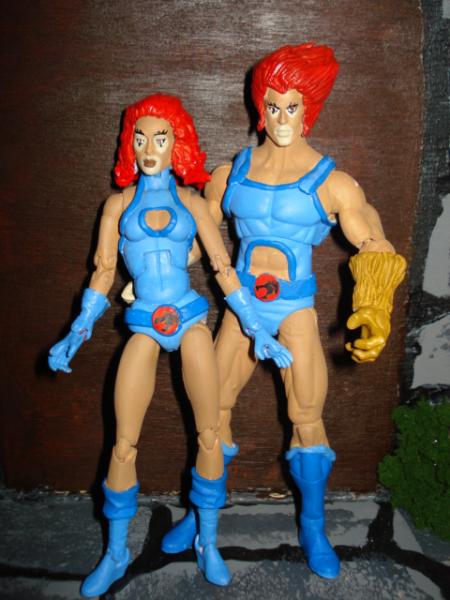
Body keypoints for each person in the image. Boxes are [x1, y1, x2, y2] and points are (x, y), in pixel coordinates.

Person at [163, 44, 406, 579]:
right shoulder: (232, 173)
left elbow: (374, 241)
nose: (280, 118)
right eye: (272, 106)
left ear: (307, 108)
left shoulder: (332, 182)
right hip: (241, 307)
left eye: (291, 106)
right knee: (212, 410)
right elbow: (197, 239)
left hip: (294, 311)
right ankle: (201, 514)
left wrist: (372, 307)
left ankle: (313, 526)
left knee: (307, 416)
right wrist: (155, 270)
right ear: (260, 107)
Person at [48, 93, 292, 596]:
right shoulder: (117, 206)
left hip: (189, 319)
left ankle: (207, 540)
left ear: (176, 143)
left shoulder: (192, 203)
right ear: (129, 145)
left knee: (209, 433)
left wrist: (257, 328)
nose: (149, 148)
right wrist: (77, 330)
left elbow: (223, 268)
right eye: (140, 138)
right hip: (143, 323)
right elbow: (103, 273)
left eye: (160, 138)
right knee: (123, 441)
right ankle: (116, 552)